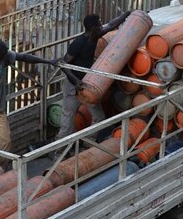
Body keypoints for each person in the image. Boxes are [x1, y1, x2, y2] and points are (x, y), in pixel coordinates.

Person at [56, 10, 131, 139]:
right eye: (99, 24)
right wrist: (75, 81)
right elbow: (63, 64)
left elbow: (111, 25)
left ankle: (88, 141)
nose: (101, 26)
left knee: (99, 117)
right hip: (73, 86)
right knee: (67, 122)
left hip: (86, 84)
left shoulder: (95, 36)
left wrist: (127, 14)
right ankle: (59, 152)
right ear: (92, 27)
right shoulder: (78, 43)